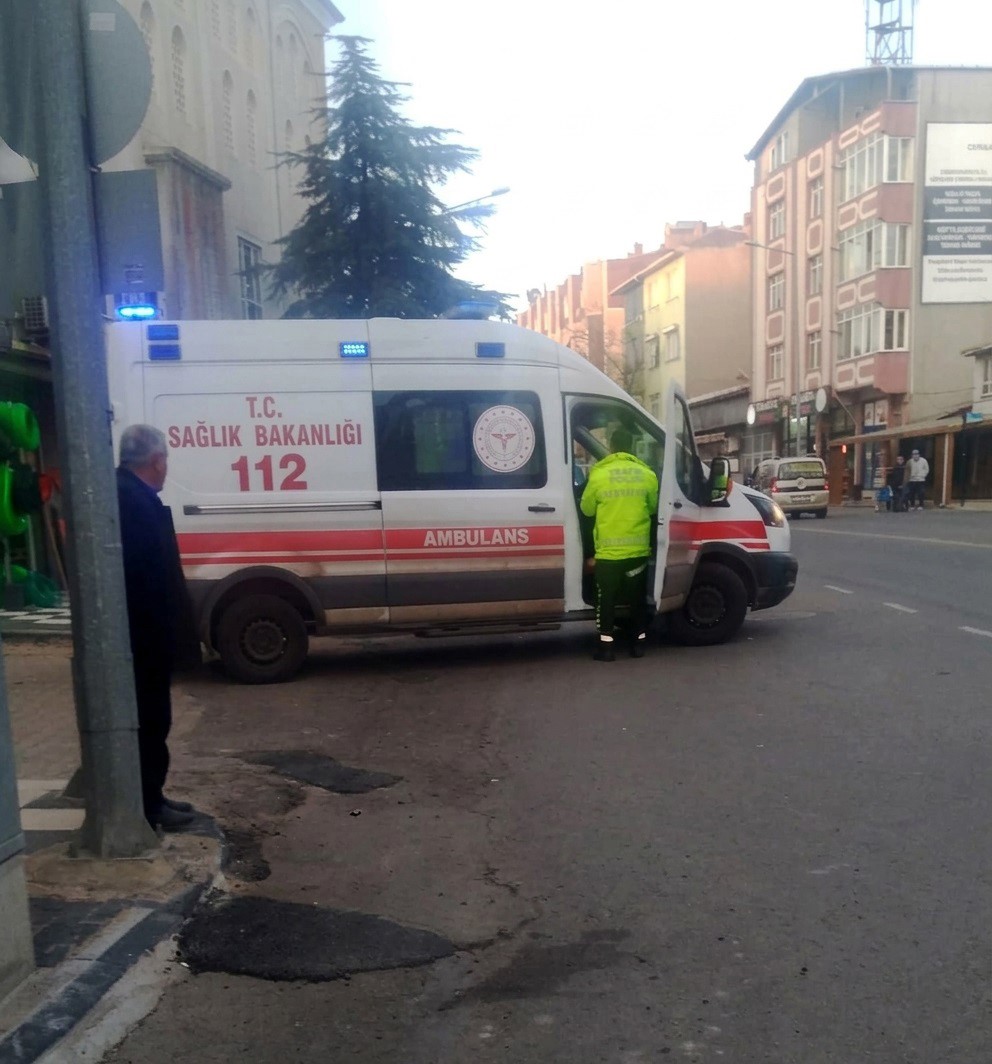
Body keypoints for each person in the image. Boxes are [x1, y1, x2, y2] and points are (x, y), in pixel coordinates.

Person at [116, 424, 198, 831]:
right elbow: (145, 577)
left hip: (141, 634)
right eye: (166, 461)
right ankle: (150, 806)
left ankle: (154, 796)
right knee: (150, 720)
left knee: (153, 720)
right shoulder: (133, 500)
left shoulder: (130, 494)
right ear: (157, 461)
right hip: (142, 637)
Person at [580, 427, 660, 661]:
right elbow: (654, 508)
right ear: (632, 448)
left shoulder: (599, 474)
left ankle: (606, 649)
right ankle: (638, 646)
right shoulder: (647, 474)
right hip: (637, 552)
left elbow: (586, 509)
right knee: (637, 600)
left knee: (606, 601)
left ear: (611, 448)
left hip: (608, 554)